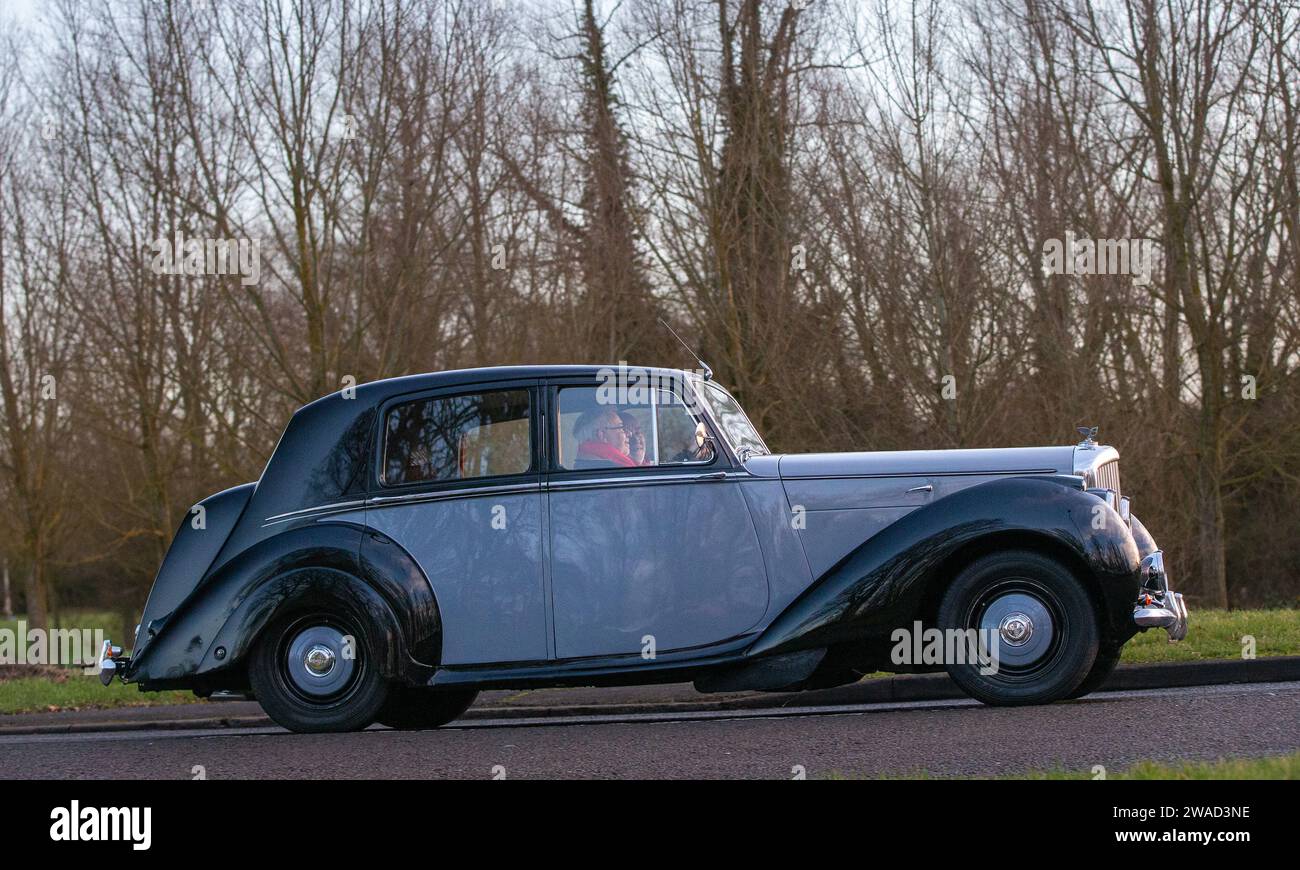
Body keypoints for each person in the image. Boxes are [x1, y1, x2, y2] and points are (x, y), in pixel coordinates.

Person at [573, 407, 638, 468]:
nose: (629, 434)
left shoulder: (585, 464)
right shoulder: (614, 469)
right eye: (621, 428)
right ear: (601, 435)